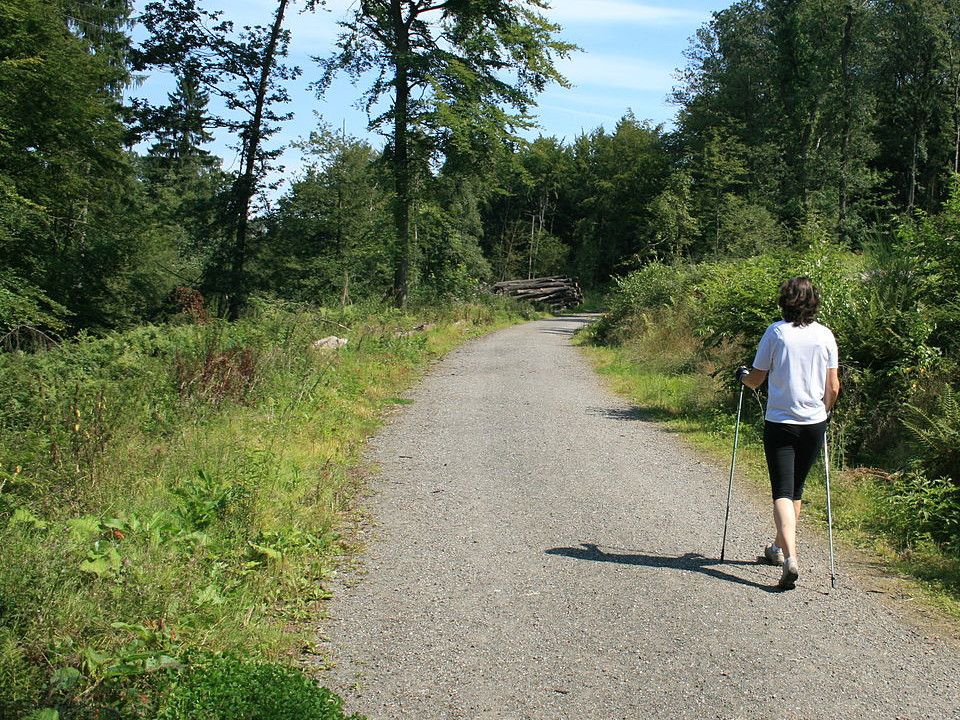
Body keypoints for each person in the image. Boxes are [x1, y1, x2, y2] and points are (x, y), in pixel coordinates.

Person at [736, 277, 840, 590]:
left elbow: (756, 379)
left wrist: (743, 377)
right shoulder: (825, 335)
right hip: (814, 422)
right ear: (813, 303)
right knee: (796, 489)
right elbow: (833, 386)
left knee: (782, 490)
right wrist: (826, 410)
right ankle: (777, 549)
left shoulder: (776, 332)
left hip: (781, 421)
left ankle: (790, 558)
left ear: (785, 302)